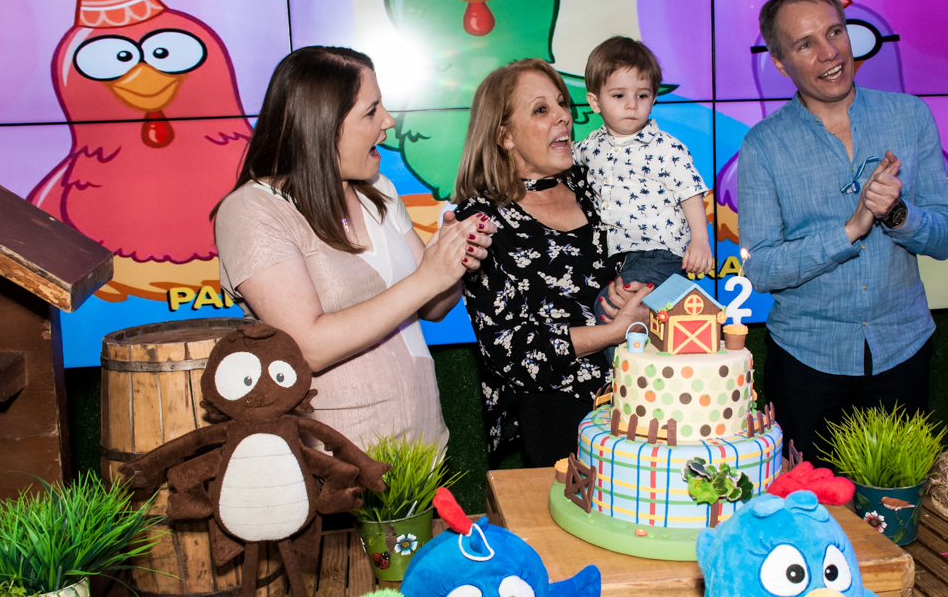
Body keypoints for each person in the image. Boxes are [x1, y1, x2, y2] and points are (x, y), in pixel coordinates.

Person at [213, 46, 493, 450]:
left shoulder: (379, 190)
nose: (389, 121)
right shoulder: (252, 209)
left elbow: (434, 307)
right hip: (335, 466)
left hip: (424, 449)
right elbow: (309, 347)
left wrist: (453, 259)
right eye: (371, 111)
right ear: (322, 125)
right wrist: (427, 277)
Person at [737, 0, 948, 463]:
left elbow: (945, 237)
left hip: (903, 348)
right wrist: (849, 231)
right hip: (807, 362)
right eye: (806, 44)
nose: (830, 53)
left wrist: (897, 214)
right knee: (809, 501)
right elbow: (761, 268)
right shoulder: (763, 146)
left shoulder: (911, 116)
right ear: (781, 63)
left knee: (897, 498)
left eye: (835, 32)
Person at [452, 58, 651, 467]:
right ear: (504, 136)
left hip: (639, 395)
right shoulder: (479, 220)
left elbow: (653, 259)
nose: (563, 115)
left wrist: (646, 303)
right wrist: (614, 332)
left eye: (561, 103)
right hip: (549, 416)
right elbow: (510, 351)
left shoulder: (596, 185)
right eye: (541, 109)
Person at [573, 37, 712, 339]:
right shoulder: (590, 146)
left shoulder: (666, 147)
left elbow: (690, 191)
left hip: (658, 254)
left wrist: (700, 241)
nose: (632, 105)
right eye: (618, 95)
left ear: (653, 98)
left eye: (642, 95)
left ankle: (628, 369)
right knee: (611, 308)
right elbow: (557, 159)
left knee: (611, 308)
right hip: (618, 256)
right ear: (595, 102)